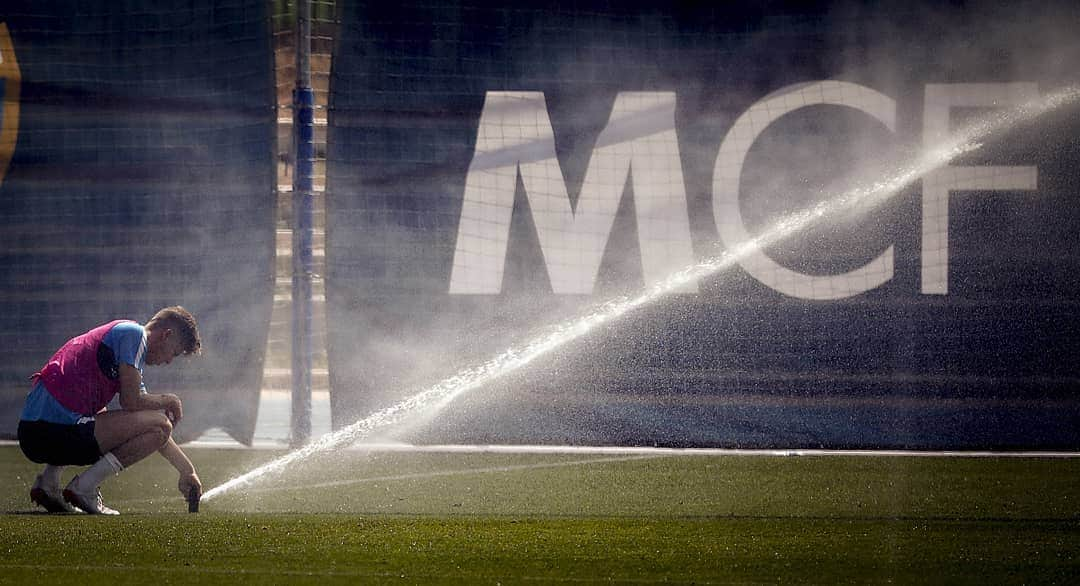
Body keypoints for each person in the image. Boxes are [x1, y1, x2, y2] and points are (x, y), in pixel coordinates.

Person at [17, 306, 203, 514]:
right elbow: (132, 402)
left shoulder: (125, 345)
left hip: (33, 433)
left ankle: (48, 484)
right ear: (166, 335)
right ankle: (85, 487)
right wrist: (169, 400)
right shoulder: (135, 335)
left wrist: (186, 470)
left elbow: (150, 427)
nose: (169, 361)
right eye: (174, 353)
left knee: (152, 425)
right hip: (53, 432)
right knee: (158, 423)